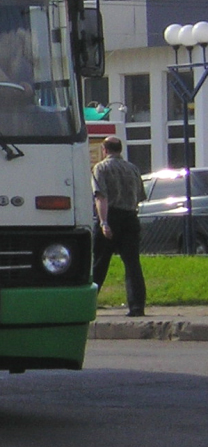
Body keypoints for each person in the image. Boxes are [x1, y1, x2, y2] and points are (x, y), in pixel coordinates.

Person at [92, 136, 147, 317]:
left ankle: (89, 302)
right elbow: (140, 196)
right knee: (132, 264)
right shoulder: (133, 169)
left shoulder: (101, 168)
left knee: (100, 262)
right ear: (120, 149)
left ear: (104, 149)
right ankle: (137, 306)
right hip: (130, 218)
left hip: (111, 215)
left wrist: (104, 222)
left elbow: (101, 196)